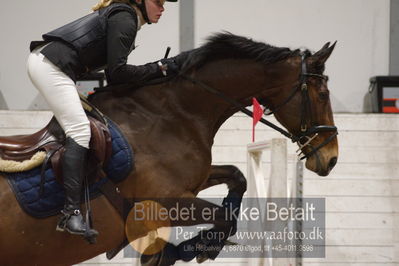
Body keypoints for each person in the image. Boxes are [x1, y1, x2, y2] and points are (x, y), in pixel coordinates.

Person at [27, 0, 179, 237]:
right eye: (157, 2)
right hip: (51, 68)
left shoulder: (127, 17)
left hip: (52, 65)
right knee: (79, 131)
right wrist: (158, 68)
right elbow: (117, 74)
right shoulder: (126, 18)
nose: (162, 8)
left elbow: (114, 74)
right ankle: (70, 213)